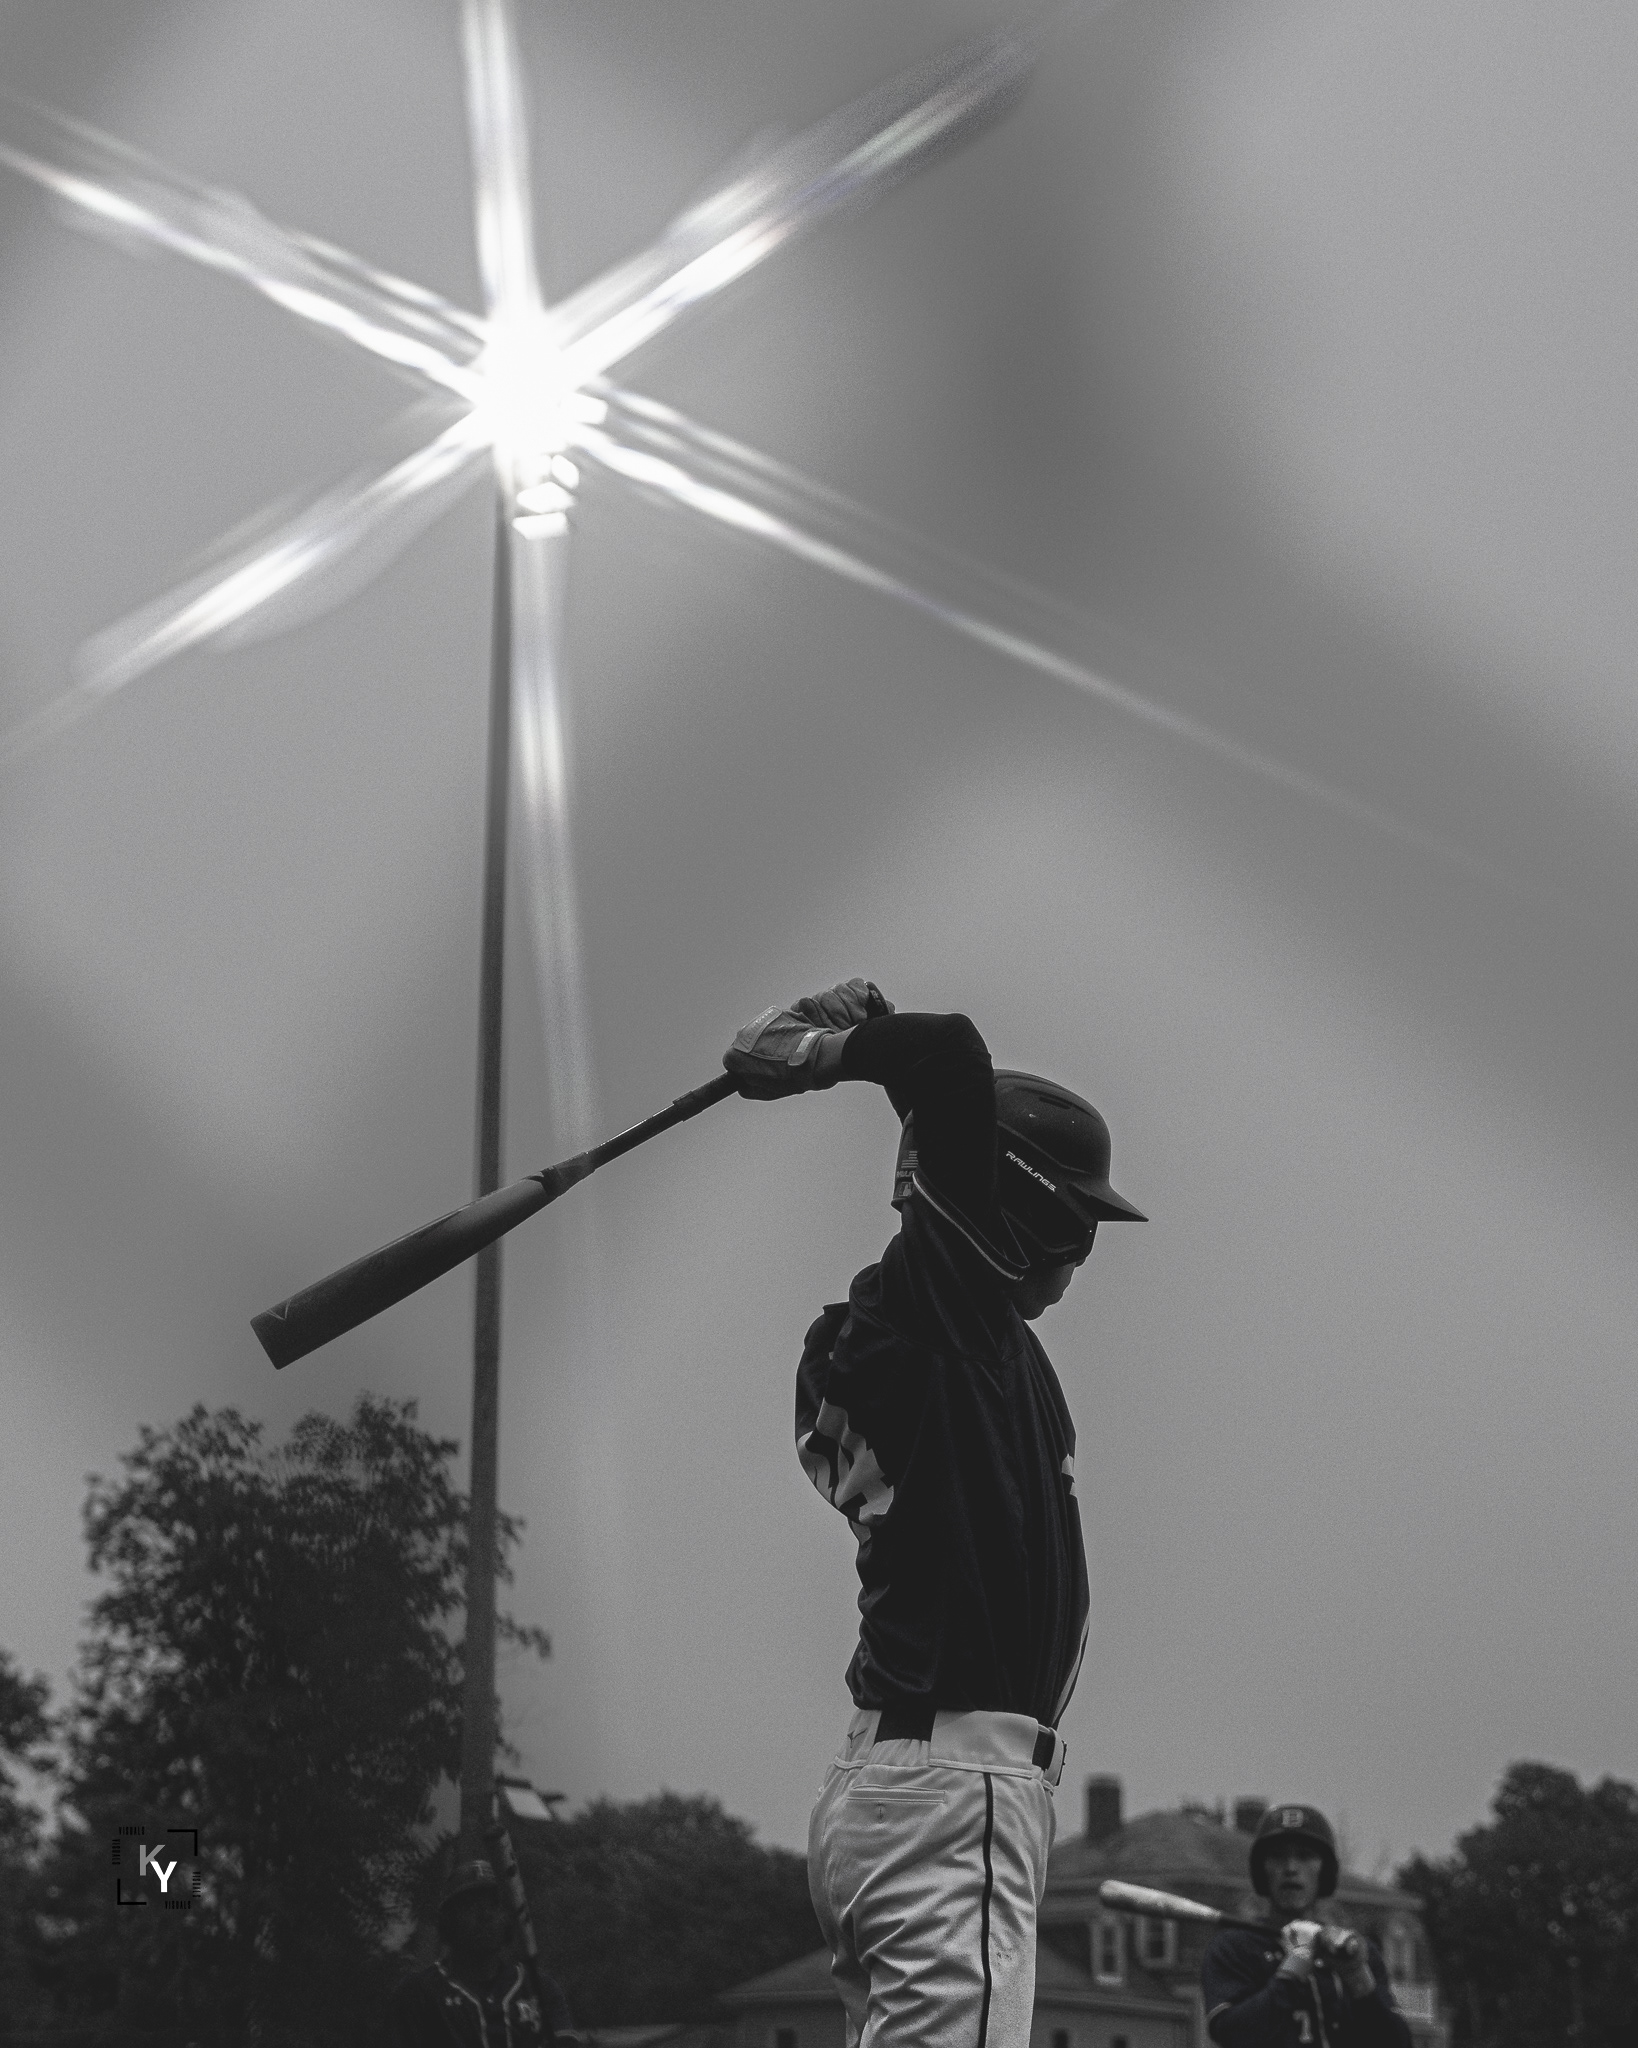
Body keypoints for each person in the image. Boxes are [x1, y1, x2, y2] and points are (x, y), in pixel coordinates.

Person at [723, 978, 1146, 2048]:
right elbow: (950, 1058)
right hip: (954, 1788)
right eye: (1074, 1226)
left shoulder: (948, 1341)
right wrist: (818, 1049)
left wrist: (862, 1033)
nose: (1078, 1257)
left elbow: (943, 1095)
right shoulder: (934, 1318)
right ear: (1021, 1212)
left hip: (907, 1785)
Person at [1201, 1805, 1412, 2048]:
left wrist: (1358, 1980)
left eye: (1305, 1856)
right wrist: (1296, 1966)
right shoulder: (1235, 1947)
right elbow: (1231, 2034)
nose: (1291, 1868)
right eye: (1278, 1856)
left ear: (1324, 1870)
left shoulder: (1351, 1952)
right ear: (1262, 1869)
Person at [388, 1859, 577, 2048]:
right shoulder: (418, 1995)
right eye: (471, 1905)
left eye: (494, 1904)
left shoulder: (540, 1990)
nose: (485, 1915)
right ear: (449, 1920)